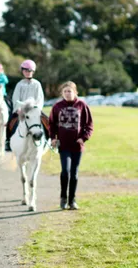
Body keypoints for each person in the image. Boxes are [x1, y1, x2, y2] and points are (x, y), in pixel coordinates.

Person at [49, 81, 93, 210]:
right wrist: (53, 138)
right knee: (65, 171)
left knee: (74, 173)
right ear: (62, 93)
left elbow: (89, 125)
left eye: (70, 91)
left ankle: (72, 200)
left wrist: (83, 138)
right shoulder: (57, 106)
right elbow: (52, 124)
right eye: (65, 91)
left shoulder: (82, 105)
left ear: (75, 92)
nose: (68, 94)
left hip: (77, 146)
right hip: (63, 145)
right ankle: (63, 198)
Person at [5, 59, 44, 152]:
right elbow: (16, 98)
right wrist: (18, 108)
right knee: (11, 122)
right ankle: (7, 141)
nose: (27, 72)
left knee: (46, 121)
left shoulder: (37, 84)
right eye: (25, 70)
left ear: (33, 71)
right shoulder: (19, 84)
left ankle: (49, 140)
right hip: (22, 110)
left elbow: (39, 98)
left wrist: (36, 108)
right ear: (22, 71)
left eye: (29, 71)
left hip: (34, 110)